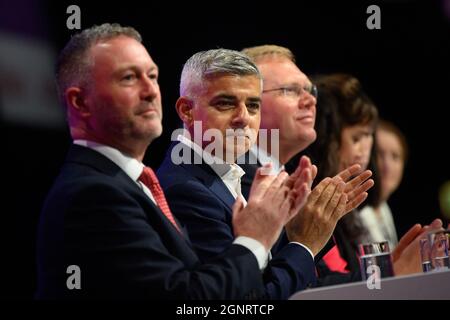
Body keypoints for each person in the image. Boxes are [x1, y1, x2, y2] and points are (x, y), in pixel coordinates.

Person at [35, 23, 312, 300]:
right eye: (129, 78)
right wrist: (256, 240)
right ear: (80, 103)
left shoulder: (130, 184)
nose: (151, 91)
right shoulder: (93, 195)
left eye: (152, 76)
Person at [157, 48, 374, 299]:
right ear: (186, 110)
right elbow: (246, 302)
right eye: (225, 103)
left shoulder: (224, 173)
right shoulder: (186, 189)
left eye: (252, 105)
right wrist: (303, 244)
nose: (243, 118)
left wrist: (301, 232)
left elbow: (268, 276)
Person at [359, 119, 409, 249]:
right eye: (379, 154)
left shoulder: (383, 207)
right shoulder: (358, 211)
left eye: (395, 156)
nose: (387, 166)